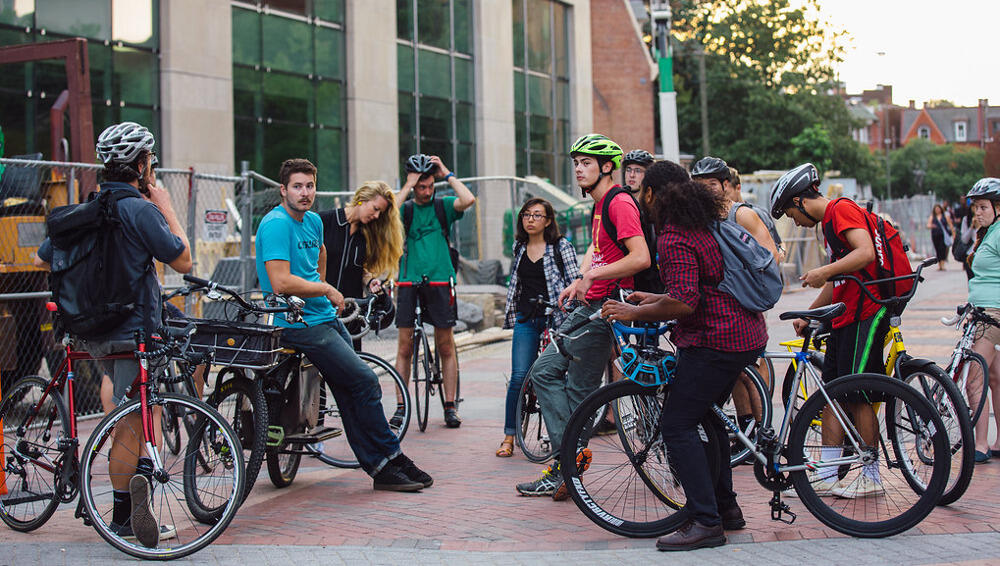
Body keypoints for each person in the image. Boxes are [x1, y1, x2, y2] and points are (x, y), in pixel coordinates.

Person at [34, 122, 191, 547]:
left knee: (134, 410)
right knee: (129, 423)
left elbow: (44, 255)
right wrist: (165, 204)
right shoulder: (141, 209)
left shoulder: (86, 209)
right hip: (134, 331)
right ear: (141, 165)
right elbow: (184, 261)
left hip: (89, 331)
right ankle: (121, 516)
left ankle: (133, 487)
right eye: (150, 161)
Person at [602, 160, 767, 551]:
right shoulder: (702, 224)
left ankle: (706, 522)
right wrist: (653, 298)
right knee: (707, 421)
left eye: (643, 193)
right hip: (744, 333)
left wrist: (633, 312)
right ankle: (726, 508)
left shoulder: (674, 236)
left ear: (655, 195)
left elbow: (686, 302)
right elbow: (697, 288)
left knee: (677, 425)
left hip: (715, 340)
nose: (641, 199)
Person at [255, 158, 431, 492]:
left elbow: (319, 255)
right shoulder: (276, 224)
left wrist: (321, 286)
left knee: (349, 390)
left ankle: (383, 467)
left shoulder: (311, 222)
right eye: (297, 186)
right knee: (365, 381)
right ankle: (391, 457)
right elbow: (279, 282)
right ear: (283, 190)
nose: (305, 193)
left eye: (310, 185)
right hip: (296, 322)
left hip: (322, 316)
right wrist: (325, 288)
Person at [514, 133, 650, 498]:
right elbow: (598, 248)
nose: (578, 169)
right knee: (548, 375)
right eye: (575, 163)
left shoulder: (619, 203)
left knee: (571, 385)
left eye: (586, 163)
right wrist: (580, 278)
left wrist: (592, 276)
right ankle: (568, 461)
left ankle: (566, 466)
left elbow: (640, 257)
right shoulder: (600, 204)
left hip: (603, 310)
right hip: (588, 304)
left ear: (607, 167)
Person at [770, 162, 912, 499]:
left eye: (791, 214)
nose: (796, 223)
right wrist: (812, 313)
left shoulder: (840, 210)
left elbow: (863, 255)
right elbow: (840, 281)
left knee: (859, 393)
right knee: (832, 394)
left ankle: (871, 474)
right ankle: (828, 474)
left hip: (869, 310)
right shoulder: (830, 223)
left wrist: (823, 271)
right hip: (847, 314)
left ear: (801, 201)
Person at [690, 156, 778, 439]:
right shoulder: (698, 218)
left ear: (726, 185)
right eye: (699, 185)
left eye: (712, 185)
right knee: (735, 374)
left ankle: (765, 433)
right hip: (715, 309)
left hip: (744, 304)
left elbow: (770, 257)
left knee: (750, 369)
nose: (705, 190)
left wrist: (745, 286)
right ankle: (747, 429)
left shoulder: (741, 215)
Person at [394, 154, 476, 428]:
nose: (426, 191)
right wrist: (407, 186)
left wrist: (446, 172)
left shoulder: (443, 206)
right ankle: (401, 405)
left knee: (445, 343)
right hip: (408, 281)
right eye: (420, 186)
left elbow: (469, 199)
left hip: (441, 280)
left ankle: (450, 405)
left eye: (429, 185)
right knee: (405, 346)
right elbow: (386, 214)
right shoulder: (405, 209)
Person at [497, 198, 580, 458]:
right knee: (519, 376)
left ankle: (563, 436)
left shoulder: (560, 246)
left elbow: (575, 279)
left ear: (548, 220)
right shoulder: (518, 247)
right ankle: (509, 435)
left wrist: (569, 310)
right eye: (526, 215)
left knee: (557, 377)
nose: (530, 219)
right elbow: (517, 285)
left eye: (537, 215)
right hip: (526, 318)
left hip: (556, 320)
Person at [319, 180, 403, 351]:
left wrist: (369, 280)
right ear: (362, 199)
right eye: (376, 209)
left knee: (351, 373)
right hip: (321, 311)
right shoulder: (324, 221)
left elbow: (358, 268)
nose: (377, 216)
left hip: (351, 315)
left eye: (381, 212)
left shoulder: (365, 236)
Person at [963, 177, 1000, 463]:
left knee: (974, 379)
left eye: (983, 207)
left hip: (992, 314)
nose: (977, 212)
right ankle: (997, 442)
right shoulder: (989, 232)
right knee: (996, 378)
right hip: (983, 311)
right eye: (975, 207)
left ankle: (980, 445)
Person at [927, 203, 955, 271]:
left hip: (943, 235)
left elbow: (950, 225)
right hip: (935, 235)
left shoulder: (945, 216)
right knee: (937, 250)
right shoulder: (932, 216)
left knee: (942, 249)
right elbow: (928, 225)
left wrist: (954, 234)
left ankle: (942, 264)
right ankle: (939, 264)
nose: (937, 210)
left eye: (938, 208)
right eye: (936, 209)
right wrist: (931, 226)